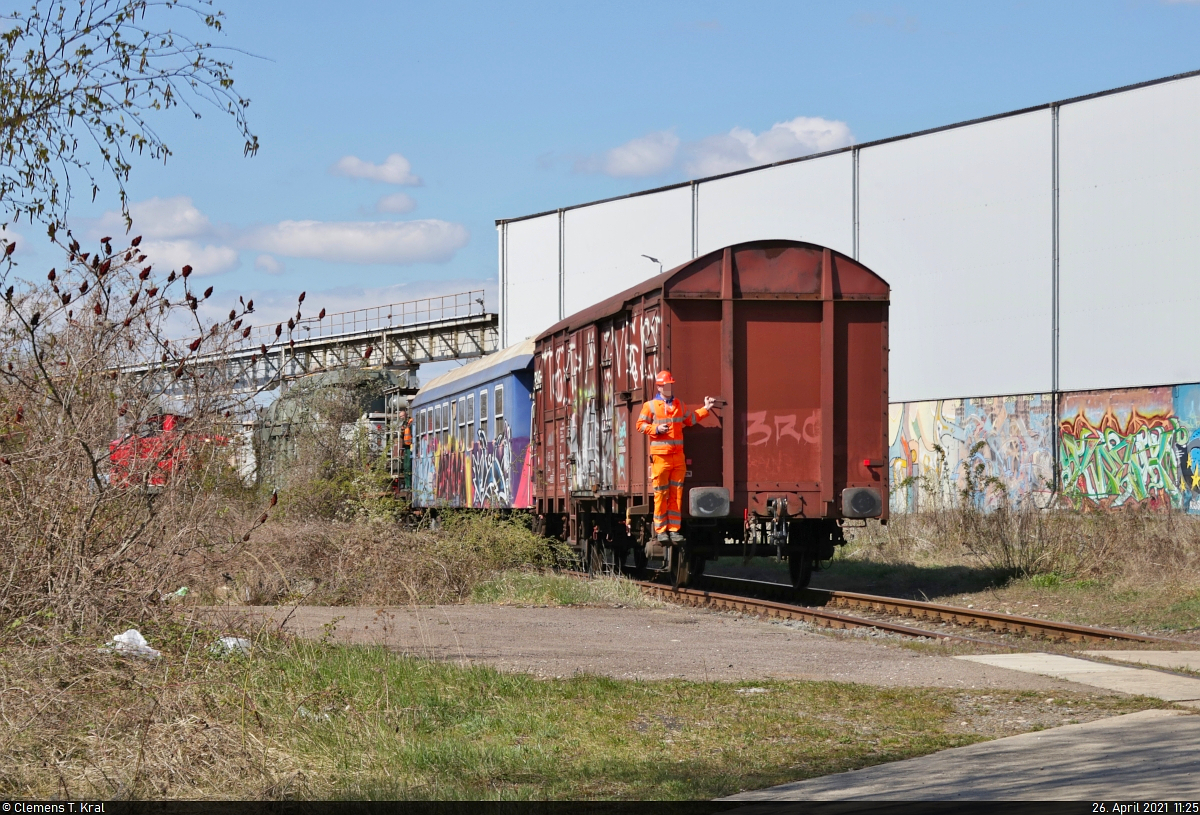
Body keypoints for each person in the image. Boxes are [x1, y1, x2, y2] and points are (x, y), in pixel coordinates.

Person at [635, 371, 717, 544]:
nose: (669, 387)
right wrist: (656, 429)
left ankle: (674, 530)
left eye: (671, 384)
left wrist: (706, 408)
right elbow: (640, 425)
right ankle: (661, 530)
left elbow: (690, 419)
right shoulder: (650, 406)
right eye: (666, 385)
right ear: (659, 386)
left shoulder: (679, 404)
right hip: (661, 458)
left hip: (678, 458)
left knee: (676, 495)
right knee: (661, 494)